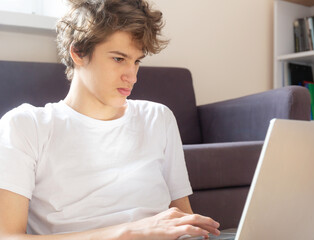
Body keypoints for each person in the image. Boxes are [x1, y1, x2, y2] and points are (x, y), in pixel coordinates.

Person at [0, 0, 220, 239]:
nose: (132, 76)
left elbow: (183, 219)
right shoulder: (26, 125)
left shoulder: (158, 118)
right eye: (118, 59)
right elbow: (8, 236)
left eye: (137, 61)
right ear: (78, 52)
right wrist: (131, 232)